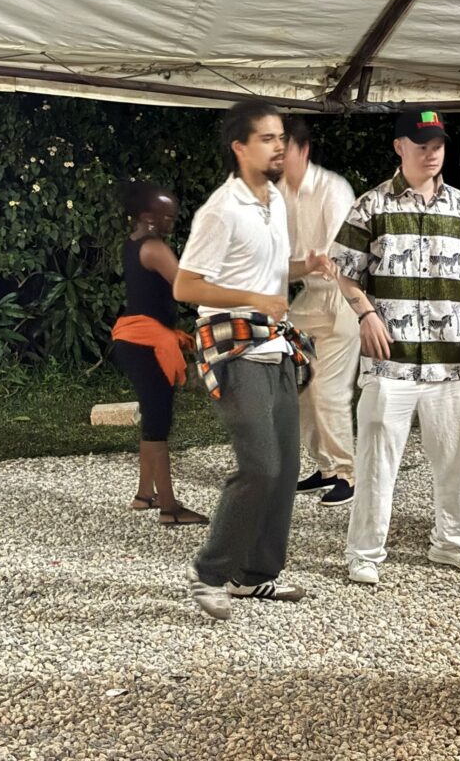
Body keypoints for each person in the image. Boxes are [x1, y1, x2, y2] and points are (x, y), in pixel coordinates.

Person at [331, 109, 460, 586]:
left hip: (454, 362)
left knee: (456, 459)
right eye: (421, 145)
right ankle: (365, 552)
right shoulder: (371, 206)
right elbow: (345, 272)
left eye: (438, 145)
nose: (431, 154)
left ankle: (452, 544)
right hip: (390, 362)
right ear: (399, 147)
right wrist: (366, 314)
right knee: (376, 460)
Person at [174, 100, 333, 619]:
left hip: (276, 348)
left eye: (281, 136)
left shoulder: (273, 201)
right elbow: (186, 285)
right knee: (260, 466)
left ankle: (255, 575)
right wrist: (255, 298)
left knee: (285, 470)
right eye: (267, 138)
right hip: (236, 351)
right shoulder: (221, 209)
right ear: (240, 147)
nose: (279, 146)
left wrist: (304, 266)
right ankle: (209, 573)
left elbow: (267, 268)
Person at [110, 183, 208, 527]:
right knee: (158, 423)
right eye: (166, 215)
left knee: (152, 418)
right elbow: (186, 288)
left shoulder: (133, 243)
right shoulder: (154, 248)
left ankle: (144, 494)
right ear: (147, 215)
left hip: (132, 338)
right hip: (149, 343)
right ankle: (169, 507)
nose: (172, 221)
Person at [280, 116, 359, 506]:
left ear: (303, 149)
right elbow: (276, 261)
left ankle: (348, 474)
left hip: (344, 296)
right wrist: (303, 265)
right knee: (300, 385)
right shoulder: (277, 194)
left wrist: (303, 265)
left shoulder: (332, 188)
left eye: (284, 149)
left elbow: (335, 258)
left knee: (329, 390)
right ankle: (326, 467)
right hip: (309, 297)